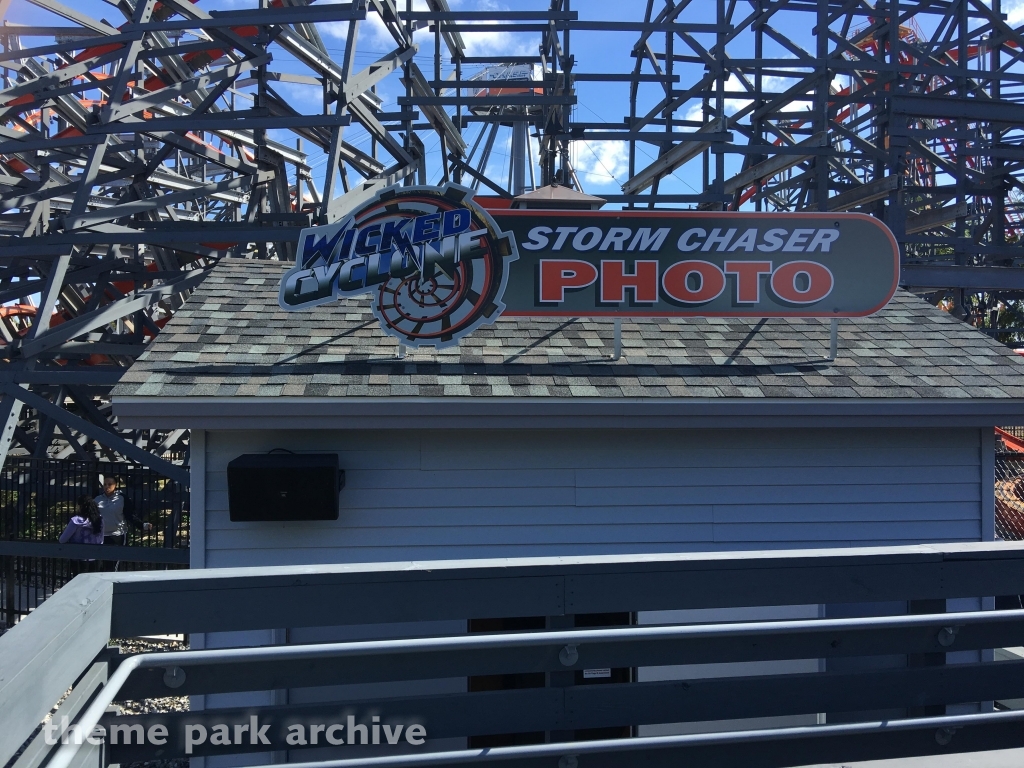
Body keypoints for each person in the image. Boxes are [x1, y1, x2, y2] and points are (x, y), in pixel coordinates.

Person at [59, 496, 104, 576]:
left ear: (80, 506)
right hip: (95, 557)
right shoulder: (99, 520)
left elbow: (62, 540)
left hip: (79, 558)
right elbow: (101, 540)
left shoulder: (76, 521)